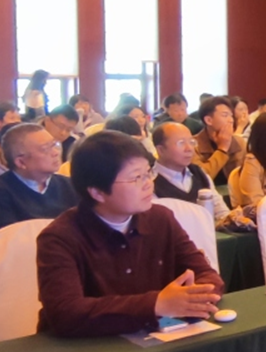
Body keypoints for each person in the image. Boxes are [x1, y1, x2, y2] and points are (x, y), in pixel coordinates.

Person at [36, 131, 223, 338]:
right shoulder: (59, 238)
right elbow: (65, 313)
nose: (148, 184)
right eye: (136, 178)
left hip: (156, 338)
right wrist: (156, 304)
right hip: (88, 349)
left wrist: (193, 297)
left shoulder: (161, 219)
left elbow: (207, 274)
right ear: (97, 192)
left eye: (148, 173)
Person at [0, 123, 78, 241]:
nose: (55, 153)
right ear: (21, 162)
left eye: (54, 145)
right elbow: (4, 243)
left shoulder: (70, 186)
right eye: (45, 149)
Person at [151, 122, 240, 225]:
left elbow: (221, 212)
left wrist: (234, 219)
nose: (189, 149)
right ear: (161, 150)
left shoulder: (199, 173)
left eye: (192, 142)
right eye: (181, 143)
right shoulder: (150, 182)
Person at [194, 96, 247, 183]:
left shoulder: (239, 142)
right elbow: (201, 178)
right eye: (225, 115)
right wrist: (222, 149)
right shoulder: (193, 145)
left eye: (231, 116)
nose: (231, 120)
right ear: (209, 120)